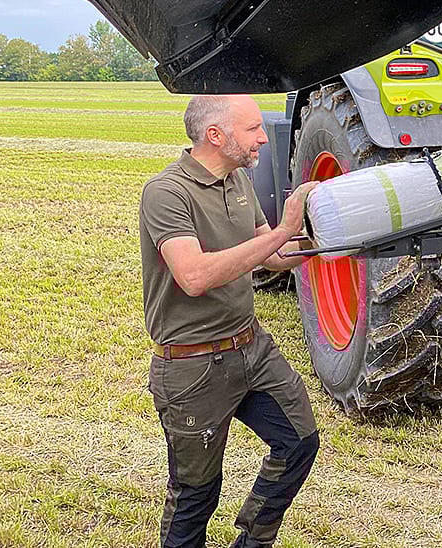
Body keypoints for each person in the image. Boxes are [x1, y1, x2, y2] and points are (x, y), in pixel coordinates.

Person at [139, 94, 321, 548]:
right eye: (253, 128)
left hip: (251, 349)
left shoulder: (238, 179)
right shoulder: (166, 192)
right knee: (197, 493)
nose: (264, 136)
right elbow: (195, 275)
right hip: (193, 366)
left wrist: (336, 239)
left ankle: (252, 541)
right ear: (215, 136)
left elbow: (275, 254)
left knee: (299, 442)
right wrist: (284, 229)